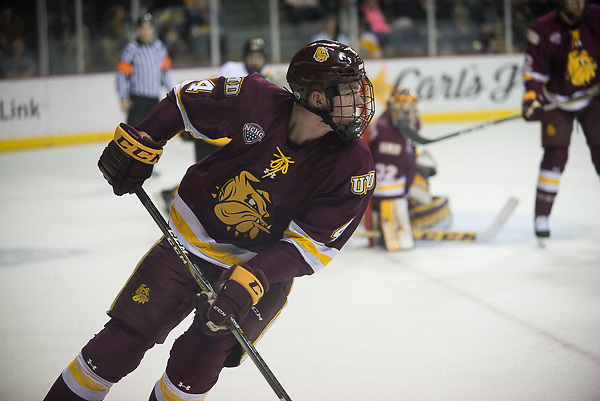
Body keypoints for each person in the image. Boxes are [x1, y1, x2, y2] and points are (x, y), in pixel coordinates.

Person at [42, 39, 375, 401]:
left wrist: (255, 278)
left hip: (257, 273)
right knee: (119, 343)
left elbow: (311, 245)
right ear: (315, 98)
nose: (359, 98)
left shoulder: (353, 164)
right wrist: (145, 138)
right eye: (347, 89)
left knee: (194, 368)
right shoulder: (256, 98)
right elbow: (184, 102)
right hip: (191, 241)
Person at [521, 0, 600, 246]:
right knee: (555, 156)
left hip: (593, 96)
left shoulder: (597, 17)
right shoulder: (543, 28)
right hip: (557, 99)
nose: (578, 3)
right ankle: (541, 216)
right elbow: (533, 73)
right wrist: (532, 97)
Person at [366, 87, 451, 251]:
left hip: (395, 183)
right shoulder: (385, 132)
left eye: (410, 108)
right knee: (422, 194)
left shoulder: (403, 124)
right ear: (393, 108)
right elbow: (397, 163)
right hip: (386, 192)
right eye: (402, 108)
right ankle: (393, 218)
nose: (407, 113)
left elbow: (407, 151)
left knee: (423, 180)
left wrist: (415, 156)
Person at [116, 13, 173, 126]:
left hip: (154, 98)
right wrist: (123, 97)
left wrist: (171, 93)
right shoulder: (131, 49)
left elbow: (165, 72)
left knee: (153, 134)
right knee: (134, 134)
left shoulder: (159, 46)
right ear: (138, 30)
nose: (146, 32)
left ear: (153, 29)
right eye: (142, 28)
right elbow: (122, 75)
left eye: (148, 28)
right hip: (137, 99)